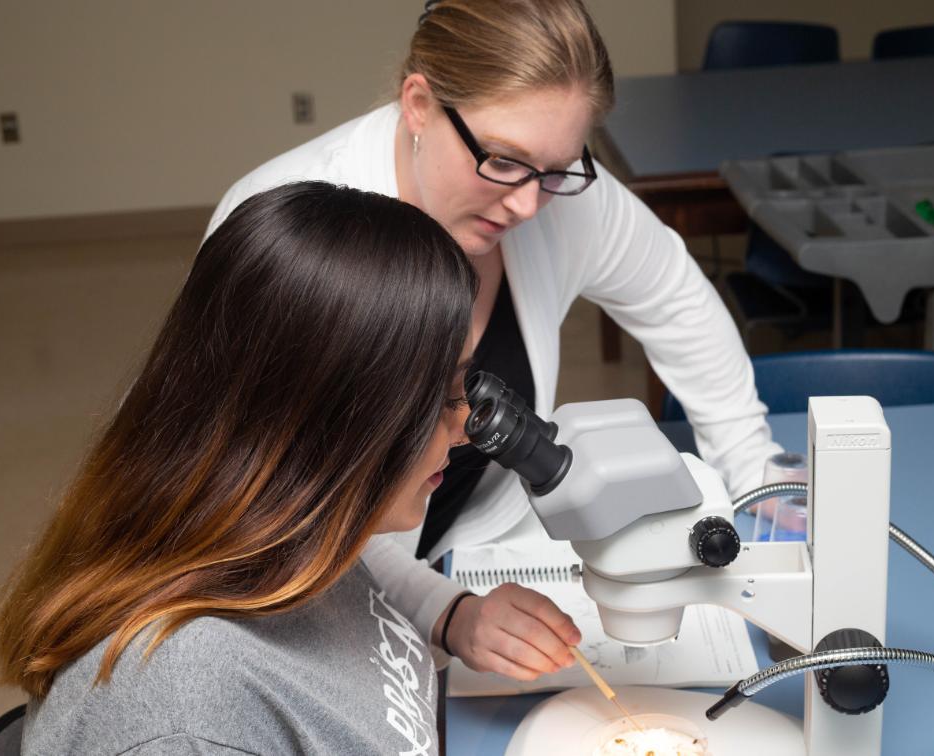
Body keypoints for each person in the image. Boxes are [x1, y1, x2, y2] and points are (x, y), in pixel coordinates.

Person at [205, 0, 782, 683]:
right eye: (504, 162)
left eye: (557, 168)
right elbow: (296, 505)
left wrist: (758, 476)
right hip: (309, 584)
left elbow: (676, 299)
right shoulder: (291, 236)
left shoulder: (550, 193)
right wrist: (444, 611)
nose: (528, 206)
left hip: (478, 539)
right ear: (418, 103)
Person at [0, 182, 553, 755]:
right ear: (329, 428)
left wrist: (454, 616)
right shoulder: (189, 715)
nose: (464, 428)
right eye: (436, 399)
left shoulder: (295, 544)